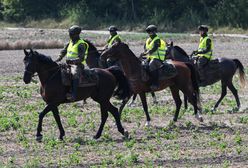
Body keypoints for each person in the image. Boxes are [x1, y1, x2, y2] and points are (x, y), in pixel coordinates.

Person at [56, 25, 89, 101]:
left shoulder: (81, 44)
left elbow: (81, 58)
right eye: (69, 33)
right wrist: (59, 58)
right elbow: (63, 52)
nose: (69, 35)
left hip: (77, 65)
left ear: (76, 34)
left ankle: (74, 94)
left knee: (74, 74)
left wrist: (73, 61)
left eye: (71, 33)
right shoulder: (70, 42)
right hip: (68, 64)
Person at [141, 25, 166, 90]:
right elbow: (145, 49)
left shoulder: (157, 39)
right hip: (150, 57)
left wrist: (146, 53)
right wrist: (143, 54)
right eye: (148, 31)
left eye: (150, 31)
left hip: (158, 58)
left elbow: (154, 49)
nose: (149, 33)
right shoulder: (148, 40)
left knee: (151, 65)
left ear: (155, 32)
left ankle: (156, 83)